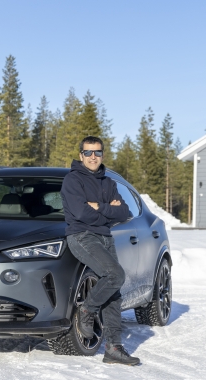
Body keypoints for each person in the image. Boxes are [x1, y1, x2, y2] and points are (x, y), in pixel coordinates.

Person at [60, 135, 141, 366]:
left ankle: (113, 348)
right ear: (81, 155)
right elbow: (81, 214)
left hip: (105, 237)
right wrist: (106, 210)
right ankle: (87, 310)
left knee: (113, 293)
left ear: (102, 154)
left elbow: (124, 212)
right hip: (82, 236)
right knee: (116, 275)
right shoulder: (73, 180)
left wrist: (98, 207)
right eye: (88, 152)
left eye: (97, 152)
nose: (93, 157)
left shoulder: (109, 182)